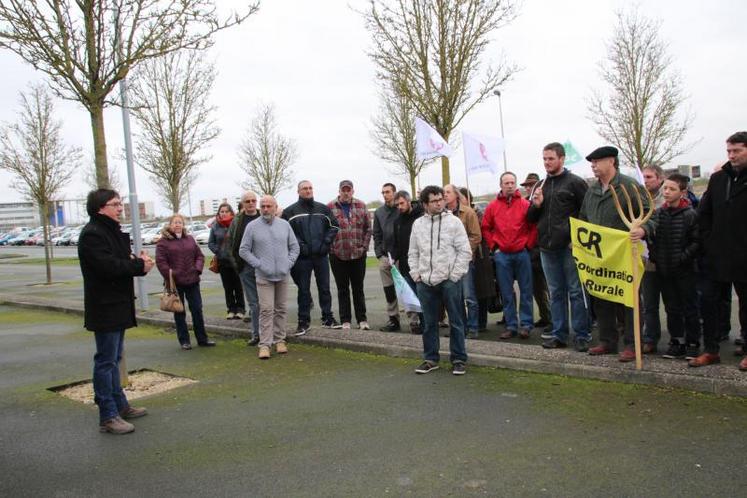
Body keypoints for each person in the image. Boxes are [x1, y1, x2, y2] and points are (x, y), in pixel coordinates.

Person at [78, 189, 153, 434]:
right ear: (100, 208)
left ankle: (120, 405)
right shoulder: (92, 235)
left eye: (120, 204)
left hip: (118, 304)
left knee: (115, 358)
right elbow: (109, 267)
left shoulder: (111, 232)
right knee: (106, 360)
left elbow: (124, 263)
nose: (120, 208)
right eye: (115, 204)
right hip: (105, 307)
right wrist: (137, 265)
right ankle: (107, 415)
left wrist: (141, 265)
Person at [579, 146, 654, 362]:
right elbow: (584, 217)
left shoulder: (629, 186)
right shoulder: (592, 190)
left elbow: (650, 214)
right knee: (601, 297)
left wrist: (643, 230)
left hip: (624, 254)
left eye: (597, 161)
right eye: (591, 162)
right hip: (599, 255)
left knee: (629, 300)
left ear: (611, 161)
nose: (593, 166)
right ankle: (607, 341)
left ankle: (632, 343)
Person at [527, 143, 592, 352]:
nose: (547, 163)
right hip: (546, 247)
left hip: (570, 247)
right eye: (544, 159)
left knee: (576, 292)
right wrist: (536, 205)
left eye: (551, 159)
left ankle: (582, 335)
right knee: (556, 293)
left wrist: (578, 239)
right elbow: (529, 218)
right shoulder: (540, 185)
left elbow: (587, 214)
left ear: (562, 159)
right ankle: (559, 334)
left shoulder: (575, 183)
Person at [691, 131, 747, 370]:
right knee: (709, 302)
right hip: (716, 255)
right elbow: (703, 214)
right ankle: (711, 350)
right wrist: (708, 241)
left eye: (737, 151)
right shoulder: (718, 179)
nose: (731, 156)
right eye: (729, 151)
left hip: (744, 256)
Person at [409, 185, 472, 375]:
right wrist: (416, 275)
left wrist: (455, 275)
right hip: (425, 281)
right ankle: (430, 358)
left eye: (440, 199)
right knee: (428, 323)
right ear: (425, 204)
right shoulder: (418, 224)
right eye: (434, 201)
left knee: (456, 321)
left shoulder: (454, 222)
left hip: (449, 280)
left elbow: (465, 251)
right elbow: (413, 252)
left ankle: (459, 359)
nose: (439, 203)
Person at [239, 195, 300, 359]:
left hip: (282, 274)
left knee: (281, 309)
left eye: (269, 206)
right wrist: (259, 264)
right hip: (263, 276)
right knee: (266, 310)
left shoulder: (285, 225)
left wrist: (288, 263)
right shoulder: (252, 227)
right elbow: (243, 250)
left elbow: (294, 247)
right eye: (263, 206)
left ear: (275, 207)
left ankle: (280, 340)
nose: (265, 209)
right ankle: (265, 344)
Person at [648, 173, 701, 359]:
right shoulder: (659, 214)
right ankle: (676, 340)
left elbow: (696, 241)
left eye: (672, 189)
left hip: (685, 271)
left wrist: (682, 258)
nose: (667, 192)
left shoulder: (690, 215)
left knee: (690, 307)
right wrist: (657, 258)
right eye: (665, 188)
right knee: (672, 308)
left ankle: (693, 342)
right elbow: (653, 240)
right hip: (664, 269)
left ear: (682, 192)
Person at [282, 180, 341, 334]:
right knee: (303, 290)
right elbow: (286, 233)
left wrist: (326, 242)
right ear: (298, 191)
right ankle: (303, 321)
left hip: (321, 255)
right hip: (302, 258)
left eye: (310, 188)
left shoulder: (323, 209)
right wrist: (301, 246)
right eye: (304, 189)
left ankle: (328, 318)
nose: (308, 191)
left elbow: (334, 226)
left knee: (324, 288)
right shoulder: (290, 212)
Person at [481, 172, 535, 340]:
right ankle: (511, 325)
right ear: (501, 185)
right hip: (502, 254)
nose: (510, 185)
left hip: (522, 253)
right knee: (506, 292)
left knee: (526, 290)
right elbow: (485, 227)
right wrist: (494, 246)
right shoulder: (492, 206)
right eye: (507, 183)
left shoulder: (525, 205)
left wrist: (528, 245)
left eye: (513, 182)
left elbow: (533, 226)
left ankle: (526, 325)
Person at [156, 214, 215, 350]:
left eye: (180, 222)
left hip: (193, 280)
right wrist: (171, 274)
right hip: (176, 284)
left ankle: (202, 339)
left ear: (183, 225)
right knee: (179, 312)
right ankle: (184, 341)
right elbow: (161, 262)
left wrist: (197, 269)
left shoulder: (190, 239)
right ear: (170, 225)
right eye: (175, 222)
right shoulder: (163, 242)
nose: (177, 225)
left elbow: (199, 256)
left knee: (197, 310)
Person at [327, 180, 372, 330]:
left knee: (358, 289)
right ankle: (345, 320)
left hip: (358, 255)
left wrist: (364, 247)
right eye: (343, 190)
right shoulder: (330, 207)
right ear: (339, 191)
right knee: (342, 289)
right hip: (338, 256)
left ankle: (362, 320)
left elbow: (368, 229)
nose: (346, 192)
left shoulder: (361, 206)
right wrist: (331, 248)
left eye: (348, 190)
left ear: (353, 191)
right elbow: (325, 230)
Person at [444, 184, 481, 338]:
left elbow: (476, 236)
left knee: (469, 296)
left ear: (456, 195)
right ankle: (460, 328)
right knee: (455, 298)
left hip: (465, 261)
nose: (445, 195)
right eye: (443, 192)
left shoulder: (468, 212)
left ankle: (473, 328)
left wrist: (464, 254)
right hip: (448, 263)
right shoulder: (443, 214)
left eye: (448, 192)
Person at [226, 191, 261, 345]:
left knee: (269, 303)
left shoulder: (264, 217)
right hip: (245, 267)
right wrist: (237, 265)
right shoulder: (238, 221)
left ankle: (272, 333)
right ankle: (256, 334)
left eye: (254, 200)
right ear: (243, 203)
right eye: (248, 201)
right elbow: (231, 243)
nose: (251, 203)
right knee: (253, 303)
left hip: (264, 267)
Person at [520, 172, 552, 332]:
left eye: (531, 185)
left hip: (543, 247)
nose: (528, 188)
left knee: (550, 287)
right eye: (526, 185)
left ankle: (553, 319)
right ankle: (545, 316)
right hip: (530, 251)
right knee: (536, 288)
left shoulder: (544, 200)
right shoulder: (526, 203)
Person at [641, 165, 666, 353]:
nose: (646, 180)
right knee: (649, 303)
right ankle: (650, 338)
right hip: (647, 258)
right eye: (644, 177)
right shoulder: (641, 199)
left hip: (668, 258)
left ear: (659, 178)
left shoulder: (668, 197)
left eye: (649, 177)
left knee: (675, 303)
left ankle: (679, 338)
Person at [392, 190, 424, 334]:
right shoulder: (397, 221)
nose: (399, 206)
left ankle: (428, 324)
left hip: (420, 266)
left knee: (423, 297)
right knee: (412, 298)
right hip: (405, 267)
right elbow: (397, 244)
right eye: (397, 204)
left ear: (409, 201)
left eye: (401, 203)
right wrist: (393, 257)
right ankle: (417, 323)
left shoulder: (421, 217)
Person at [208, 202, 246, 320]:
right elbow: (211, 243)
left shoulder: (236, 224)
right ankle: (230, 309)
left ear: (231, 212)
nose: (224, 214)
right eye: (222, 211)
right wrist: (219, 252)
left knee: (238, 286)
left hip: (236, 261)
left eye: (226, 211)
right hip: (223, 262)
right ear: (219, 213)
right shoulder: (215, 226)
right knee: (228, 288)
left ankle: (240, 309)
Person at [373, 182, 401, 331]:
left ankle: (414, 320)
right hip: (385, 257)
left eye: (388, 192)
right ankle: (393, 319)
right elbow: (376, 234)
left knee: (405, 288)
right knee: (389, 290)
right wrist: (379, 254)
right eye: (383, 192)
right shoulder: (379, 212)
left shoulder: (401, 209)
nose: (385, 195)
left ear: (394, 193)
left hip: (401, 258)